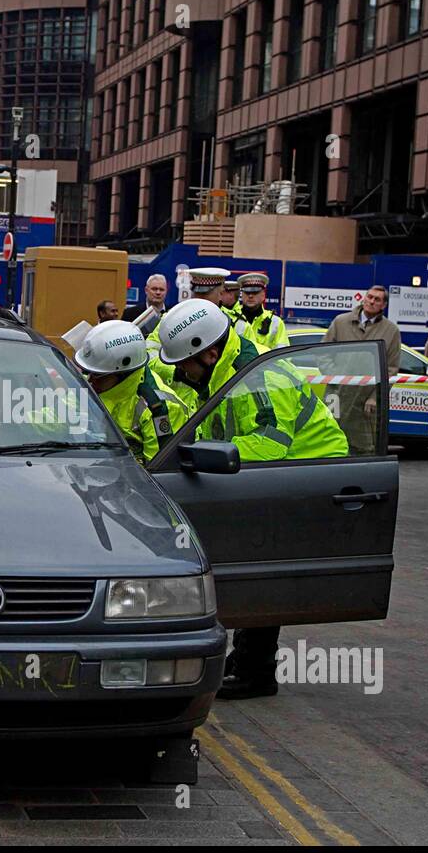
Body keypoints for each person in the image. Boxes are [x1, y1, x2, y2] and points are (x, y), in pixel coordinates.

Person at [154, 298, 349, 700]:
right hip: (280, 473)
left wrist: (199, 452)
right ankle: (244, 661)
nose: (180, 372)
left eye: (185, 363)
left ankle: (256, 672)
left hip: (306, 472)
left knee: (263, 568)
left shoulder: (262, 378)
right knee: (250, 564)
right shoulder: (221, 369)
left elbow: (269, 444)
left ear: (209, 353)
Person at [74, 319, 189, 463]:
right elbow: (58, 414)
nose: (90, 380)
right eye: (88, 371)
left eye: (97, 375)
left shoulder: (160, 408)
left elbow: (159, 472)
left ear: (122, 372)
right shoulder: (96, 382)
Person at [322, 286, 402, 457]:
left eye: (377, 299)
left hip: (366, 401)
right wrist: (336, 376)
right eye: (370, 297)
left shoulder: (391, 330)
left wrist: (375, 397)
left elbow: (391, 369)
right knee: (329, 441)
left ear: (383, 305)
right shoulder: (340, 322)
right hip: (336, 395)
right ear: (364, 298)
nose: (372, 301)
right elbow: (324, 354)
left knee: (365, 448)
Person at [232, 271, 290, 351]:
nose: (250, 296)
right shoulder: (232, 319)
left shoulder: (276, 322)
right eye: (247, 292)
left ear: (263, 295)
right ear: (242, 294)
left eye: (255, 292)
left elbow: (282, 354)